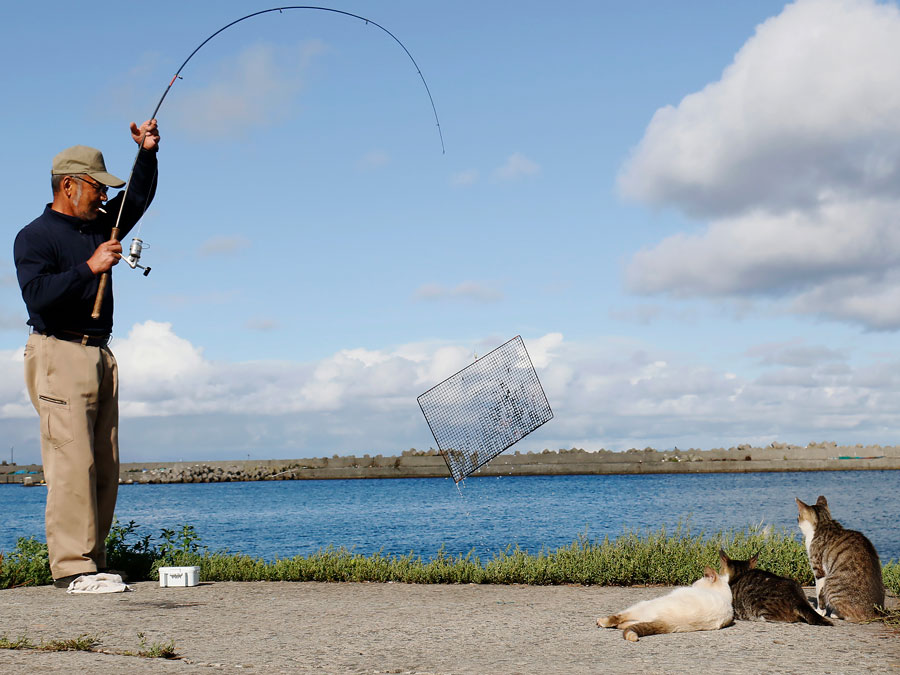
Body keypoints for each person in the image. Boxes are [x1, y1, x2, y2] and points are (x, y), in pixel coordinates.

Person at [13, 119, 160, 588]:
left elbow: (135, 199)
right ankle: (71, 570)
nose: (103, 197)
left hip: (100, 354)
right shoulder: (33, 236)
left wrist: (147, 154)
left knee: (103, 466)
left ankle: (93, 563)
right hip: (57, 353)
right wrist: (88, 267)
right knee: (71, 464)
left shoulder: (98, 223)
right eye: (97, 188)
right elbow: (36, 296)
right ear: (69, 185)